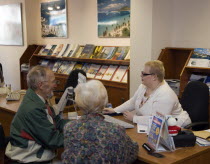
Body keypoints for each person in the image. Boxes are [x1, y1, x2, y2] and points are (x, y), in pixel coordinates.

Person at [62, 80, 139, 164]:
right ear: (104, 102)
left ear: (79, 103)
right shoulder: (115, 130)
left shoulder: (69, 128)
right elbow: (131, 153)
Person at [5, 65, 69, 163]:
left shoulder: (37, 99)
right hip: (29, 160)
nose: (55, 85)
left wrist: (78, 125)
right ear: (41, 85)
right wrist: (78, 135)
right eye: (53, 82)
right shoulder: (33, 108)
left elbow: (57, 122)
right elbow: (53, 140)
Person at [103, 60, 191, 127]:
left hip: (176, 127)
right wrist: (115, 110)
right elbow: (133, 102)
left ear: (154, 77)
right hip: (148, 125)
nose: (141, 76)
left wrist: (134, 118)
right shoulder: (143, 86)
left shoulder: (166, 95)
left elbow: (157, 121)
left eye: (144, 74)